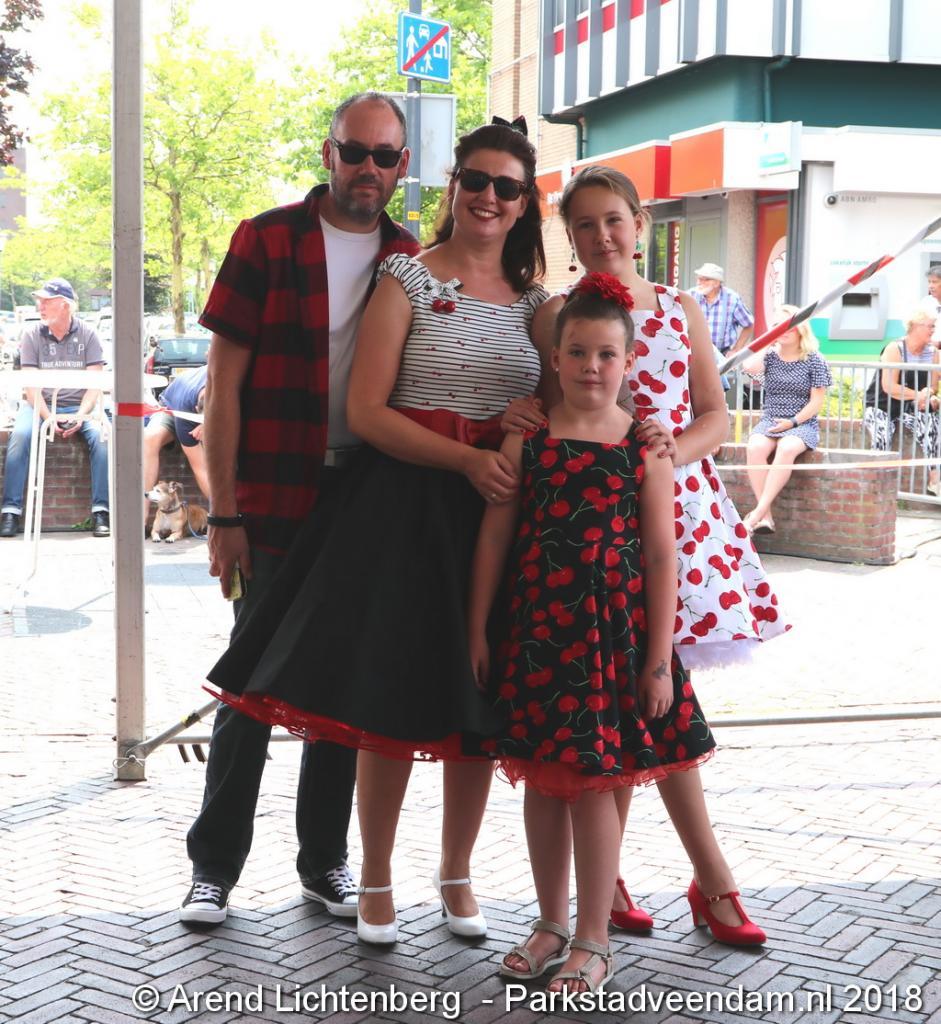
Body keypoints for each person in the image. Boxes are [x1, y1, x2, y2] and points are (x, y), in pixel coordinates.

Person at [205, 119, 548, 947]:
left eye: (506, 186)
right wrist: (223, 509)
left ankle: (408, 870)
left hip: (485, 517)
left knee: (451, 698)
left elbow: (587, 377)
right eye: (476, 180)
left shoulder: (534, 302)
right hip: (361, 503)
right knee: (325, 687)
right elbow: (328, 404)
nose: (489, 197)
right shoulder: (367, 261)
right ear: (452, 184)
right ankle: (241, 869)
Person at [503, 165, 777, 946]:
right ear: (568, 236)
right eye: (584, 224)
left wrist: (662, 454)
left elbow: (714, 415)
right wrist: (522, 415)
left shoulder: (681, 307)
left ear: (640, 223)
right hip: (593, 531)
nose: (601, 235)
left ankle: (691, 878)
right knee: (625, 706)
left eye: (613, 219)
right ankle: (638, 880)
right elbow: (553, 405)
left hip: (676, 521)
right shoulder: (557, 314)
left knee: (659, 700)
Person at [179, 92, 421, 927]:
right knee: (249, 680)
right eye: (354, 151)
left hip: (362, 501)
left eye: (384, 156)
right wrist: (224, 513)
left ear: (401, 166)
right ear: (328, 153)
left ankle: (323, 862)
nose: (367, 169)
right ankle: (213, 869)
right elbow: (224, 386)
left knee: (340, 692)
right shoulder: (266, 238)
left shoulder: (408, 257)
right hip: (272, 497)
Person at [469, 274, 717, 993]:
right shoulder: (529, 436)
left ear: (628, 360)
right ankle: (550, 922)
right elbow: (495, 537)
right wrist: (477, 628)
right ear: (554, 358)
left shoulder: (645, 447)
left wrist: (658, 661)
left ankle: (594, 939)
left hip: (612, 641)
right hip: (539, 634)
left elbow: (662, 555)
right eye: (576, 352)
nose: (590, 367)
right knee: (543, 779)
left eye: (606, 354)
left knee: (595, 784)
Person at [1, 278, 110, 539]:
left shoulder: (88, 334)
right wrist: (48, 417)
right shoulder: (32, 335)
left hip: (80, 406)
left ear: (65, 305)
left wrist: (82, 415)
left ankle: (101, 511)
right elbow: (31, 388)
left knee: (102, 438)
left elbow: (95, 384)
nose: (40, 306)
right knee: (20, 436)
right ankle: (10, 511)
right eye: (40, 301)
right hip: (40, 405)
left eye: (47, 301)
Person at [741, 308, 833, 533]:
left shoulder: (814, 359)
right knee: (754, 447)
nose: (784, 330)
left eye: (789, 325)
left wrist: (792, 422)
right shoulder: (770, 356)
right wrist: (767, 341)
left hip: (801, 422)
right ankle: (766, 518)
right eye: (778, 326)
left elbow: (816, 403)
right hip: (771, 419)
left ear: (801, 329)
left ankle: (757, 514)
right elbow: (749, 367)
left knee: (787, 448)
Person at [864, 309, 940, 496]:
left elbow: (932, 386)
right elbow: (889, 386)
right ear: (915, 326)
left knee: (932, 425)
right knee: (881, 437)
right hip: (881, 404)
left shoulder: (933, 353)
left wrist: (929, 396)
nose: (933, 330)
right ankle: (878, 487)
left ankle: (935, 480)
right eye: (930, 326)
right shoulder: (895, 348)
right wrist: (918, 395)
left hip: (909, 407)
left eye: (934, 326)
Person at [143, 364, 209, 526]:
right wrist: (226, 516)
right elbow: (200, 467)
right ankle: (141, 519)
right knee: (148, 439)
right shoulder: (185, 405)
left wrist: (208, 425)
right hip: (172, 409)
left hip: (213, 409)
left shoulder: (232, 386)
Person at [692, 262, 754, 356]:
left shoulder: (732, 299)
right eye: (699, 278)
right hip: (693, 353)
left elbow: (749, 324)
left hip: (721, 354)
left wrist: (736, 349)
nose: (699, 282)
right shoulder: (690, 296)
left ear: (716, 283)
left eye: (705, 279)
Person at [916, 266, 941, 345]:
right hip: (927, 349)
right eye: (929, 282)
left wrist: (939, 344)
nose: (930, 286)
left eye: (934, 282)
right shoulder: (926, 301)